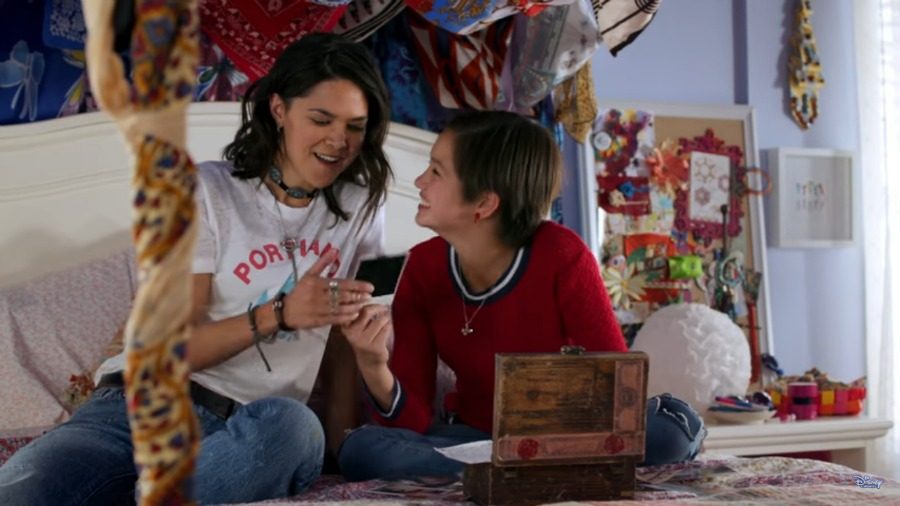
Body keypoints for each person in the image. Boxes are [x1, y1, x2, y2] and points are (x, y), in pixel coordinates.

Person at [0, 33, 391, 505]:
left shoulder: (362, 206)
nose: (339, 141)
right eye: (322, 119)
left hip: (255, 428)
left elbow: (341, 347)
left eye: (356, 126)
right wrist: (280, 314)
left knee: (295, 428)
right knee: (25, 490)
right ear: (279, 110)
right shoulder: (204, 191)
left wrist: (342, 447)